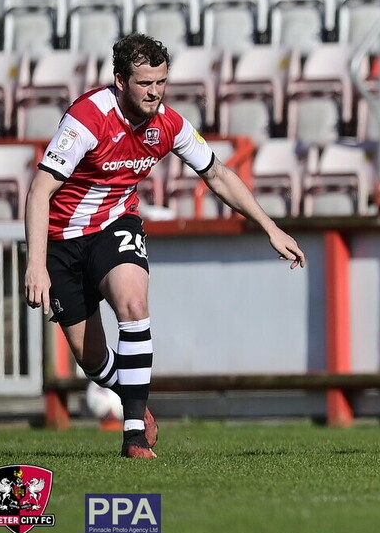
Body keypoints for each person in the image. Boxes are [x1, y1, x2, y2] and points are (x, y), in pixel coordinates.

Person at [23, 33, 306, 459]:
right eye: (144, 83)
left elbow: (218, 174)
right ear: (120, 81)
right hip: (62, 240)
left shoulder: (169, 124)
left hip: (114, 224)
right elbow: (40, 191)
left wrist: (270, 227)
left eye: (161, 82)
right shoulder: (86, 119)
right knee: (92, 360)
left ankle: (134, 434)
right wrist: (37, 265)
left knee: (134, 304)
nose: (155, 92)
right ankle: (132, 395)